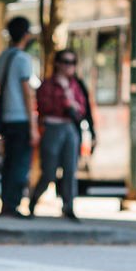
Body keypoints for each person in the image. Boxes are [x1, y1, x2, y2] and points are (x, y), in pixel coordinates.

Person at [28, 49, 94, 219]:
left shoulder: (75, 85)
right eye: (65, 62)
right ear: (57, 63)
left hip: (70, 128)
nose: (69, 66)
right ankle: (34, 199)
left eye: (72, 63)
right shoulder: (48, 85)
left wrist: (70, 99)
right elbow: (45, 106)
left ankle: (68, 206)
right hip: (52, 127)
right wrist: (65, 99)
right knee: (49, 170)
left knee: (70, 169)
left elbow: (82, 108)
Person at [0, 17, 41, 218]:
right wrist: (33, 126)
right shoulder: (23, 59)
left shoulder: (3, 56)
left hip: (5, 117)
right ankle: (12, 205)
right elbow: (26, 92)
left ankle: (5, 203)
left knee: (8, 163)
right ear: (26, 35)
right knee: (20, 163)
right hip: (20, 118)